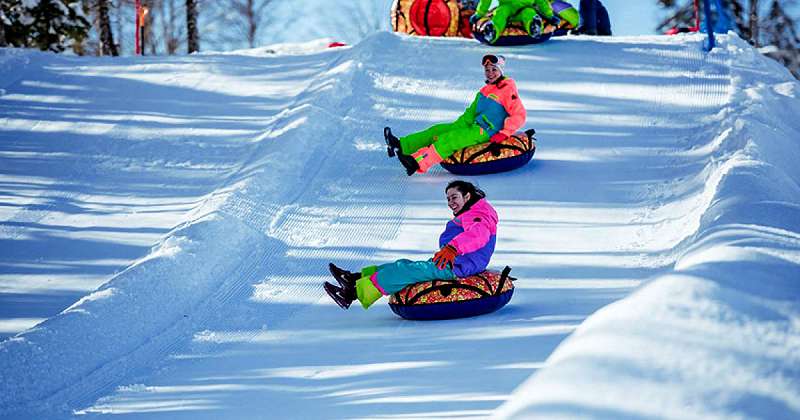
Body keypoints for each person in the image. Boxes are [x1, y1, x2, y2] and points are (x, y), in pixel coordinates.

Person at [324, 180, 498, 310]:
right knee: (403, 264)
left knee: (405, 271)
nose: (450, 202)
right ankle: (353, 278)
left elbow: (479, 234)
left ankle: (351, 294)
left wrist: (453, 248)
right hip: (452, 261)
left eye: (454, 197)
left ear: (467, 196)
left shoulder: (478, 215)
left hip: (459, 267)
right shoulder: (474, 211)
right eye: (448, 199)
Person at [384, 54, 526, 176]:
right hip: (474, 127)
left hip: (487, 132)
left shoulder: (507, 89)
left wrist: (504, 133)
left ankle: (416, 162)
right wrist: (456, 127)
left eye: (494, 69)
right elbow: (470, 113)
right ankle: (400, 145)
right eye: (487, 70)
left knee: (449, 139)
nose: (490, 73)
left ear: (501, 71)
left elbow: (519, 115)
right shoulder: (485, 90)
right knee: (437, 130)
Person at [469, 0, 560, 43]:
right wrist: (479, 14)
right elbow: (486, 1)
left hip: (524, 9)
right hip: (507, 8)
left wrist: (550, 16)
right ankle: (492, 31)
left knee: (529, 13)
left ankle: (534, 28)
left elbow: (542, 2)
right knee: (500, 13)